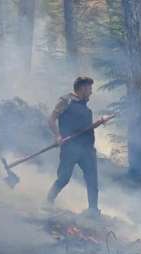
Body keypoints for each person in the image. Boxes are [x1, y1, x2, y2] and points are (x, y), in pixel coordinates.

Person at [46, 76, 99, 216]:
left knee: (92, 180)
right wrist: (57, 136)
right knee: (64, 178)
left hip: (87, 150)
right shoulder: (66, 101)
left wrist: (98, 124)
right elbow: (51, 120)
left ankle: (93, 210)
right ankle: (47, 202)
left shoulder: (86, 109)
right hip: (70, 148)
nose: (91, 92)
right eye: (89, 89)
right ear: (82, 88)